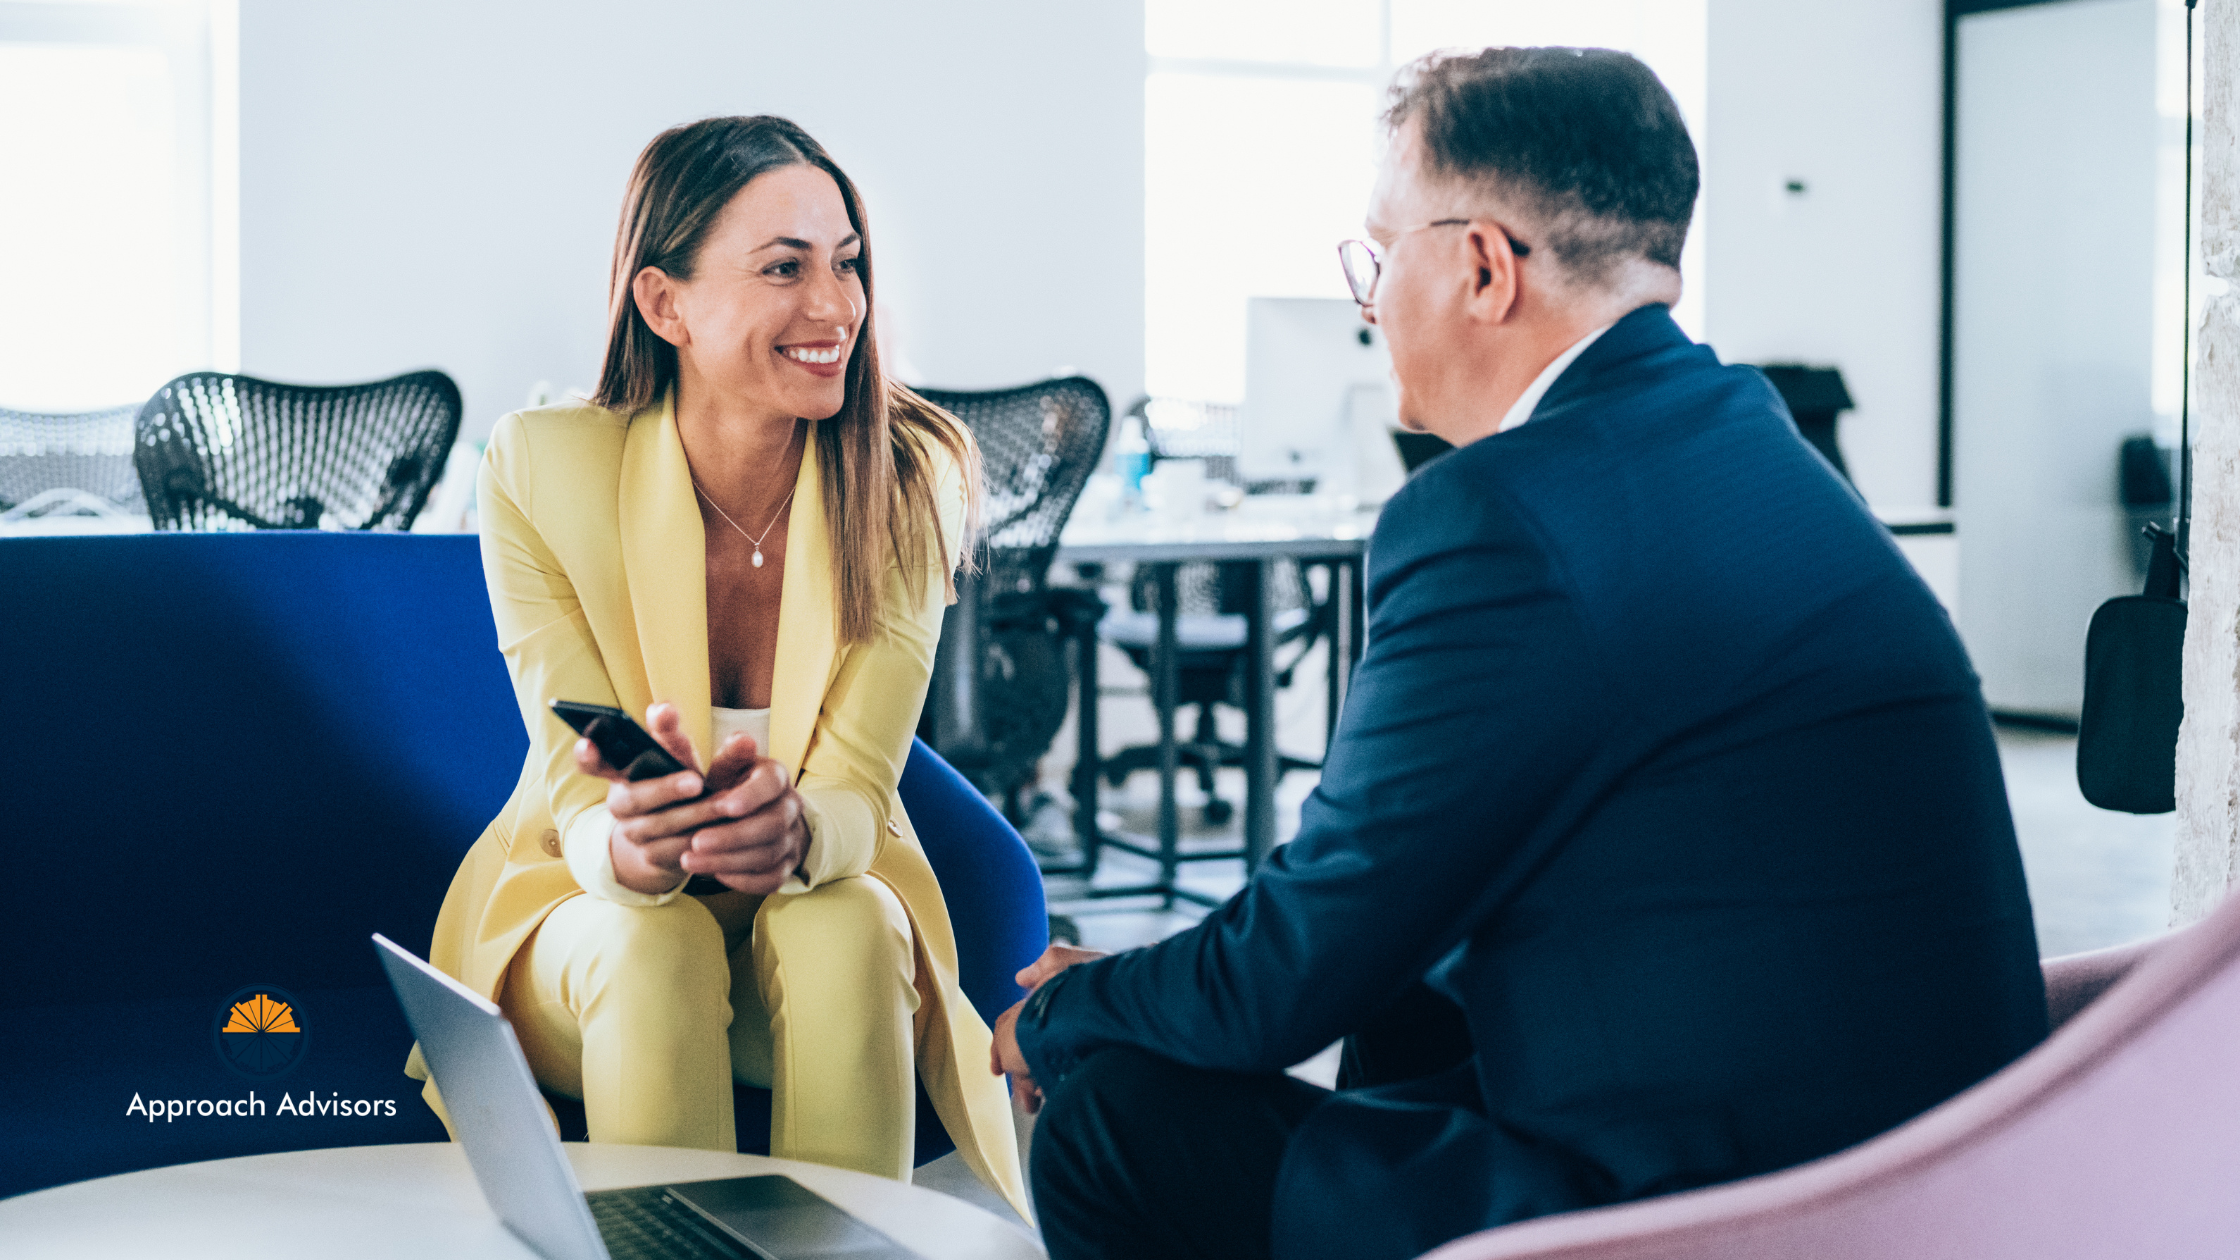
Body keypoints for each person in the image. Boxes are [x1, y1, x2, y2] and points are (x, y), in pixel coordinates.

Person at [992, 47, 2045, 1260]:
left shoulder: (1504, 516)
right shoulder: (1733, 433)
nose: (1366, 299)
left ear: (1482, 268)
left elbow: (1291, 973)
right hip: (1915, 1164)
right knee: (1404, 996)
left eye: (1377, 255)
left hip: (1730, 1207)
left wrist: (1071, 1010)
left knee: (1113, 1122)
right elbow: (1373, 902)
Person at [403, 115, 1027, 1218]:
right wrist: (629, 845)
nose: (835, 307)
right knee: (652, 941)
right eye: (784, 268)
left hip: (817, 907)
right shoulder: (540, 470)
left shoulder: (907, 474)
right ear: (665, 304)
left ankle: (847, 1250)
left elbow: (859, 784)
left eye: (848, 265)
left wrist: (797, 830)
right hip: (592, 917)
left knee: (849, 922)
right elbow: (569, 785)